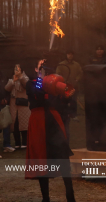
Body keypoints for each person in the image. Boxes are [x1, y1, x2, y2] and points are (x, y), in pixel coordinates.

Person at [26, 60, 76, 202]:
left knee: (63, 157)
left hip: (54, 121)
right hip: (39, 122)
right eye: (39, 67)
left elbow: (61, 103)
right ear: (35, 69)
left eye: (43, 67)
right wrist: (41, 79)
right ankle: (46, 198)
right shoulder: (31, 84)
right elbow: (37, 94)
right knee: (42, 158)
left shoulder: (54, 83)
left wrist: (67, 96)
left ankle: (70, 196)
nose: (42, 69)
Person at [5, 64, 31, 150]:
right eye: (15, 68)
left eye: (18, 69)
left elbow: (27, 85)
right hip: (14, 104)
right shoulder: (11, 79)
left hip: (24, 104)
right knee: (14, 124)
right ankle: (17, 143)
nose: (17, 70)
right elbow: (7, 89)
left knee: (24, 123)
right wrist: (13, 81)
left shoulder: (25, 78)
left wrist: (20, 76)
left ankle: (24, 143)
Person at [57, 50, 83, 121]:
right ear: (66, 55)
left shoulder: (76, 65)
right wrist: (64, 80)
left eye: (71, 54)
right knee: (63, 101)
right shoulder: (61, 64)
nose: (70, 56)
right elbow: (58, 73)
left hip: (74, 86)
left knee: (74, 101)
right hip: (64, 86)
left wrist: (76, 80)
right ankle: (64, 114)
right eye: (68, 54)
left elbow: (80, 73)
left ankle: (73, 115)